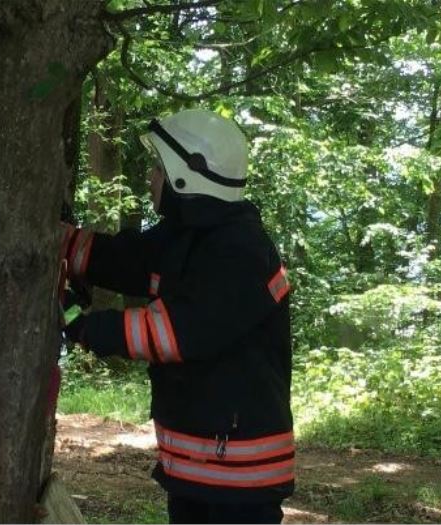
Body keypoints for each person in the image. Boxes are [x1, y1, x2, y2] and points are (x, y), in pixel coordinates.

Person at [60, 109, 294, 524]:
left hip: (237, 477)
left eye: (157, 167)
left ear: (188, 175)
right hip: (202, 465)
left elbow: (176, 331)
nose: (150, 178)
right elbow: (124, 260)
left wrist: (81, 323)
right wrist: (59, 240)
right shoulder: (188, 235)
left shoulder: (240, 251)